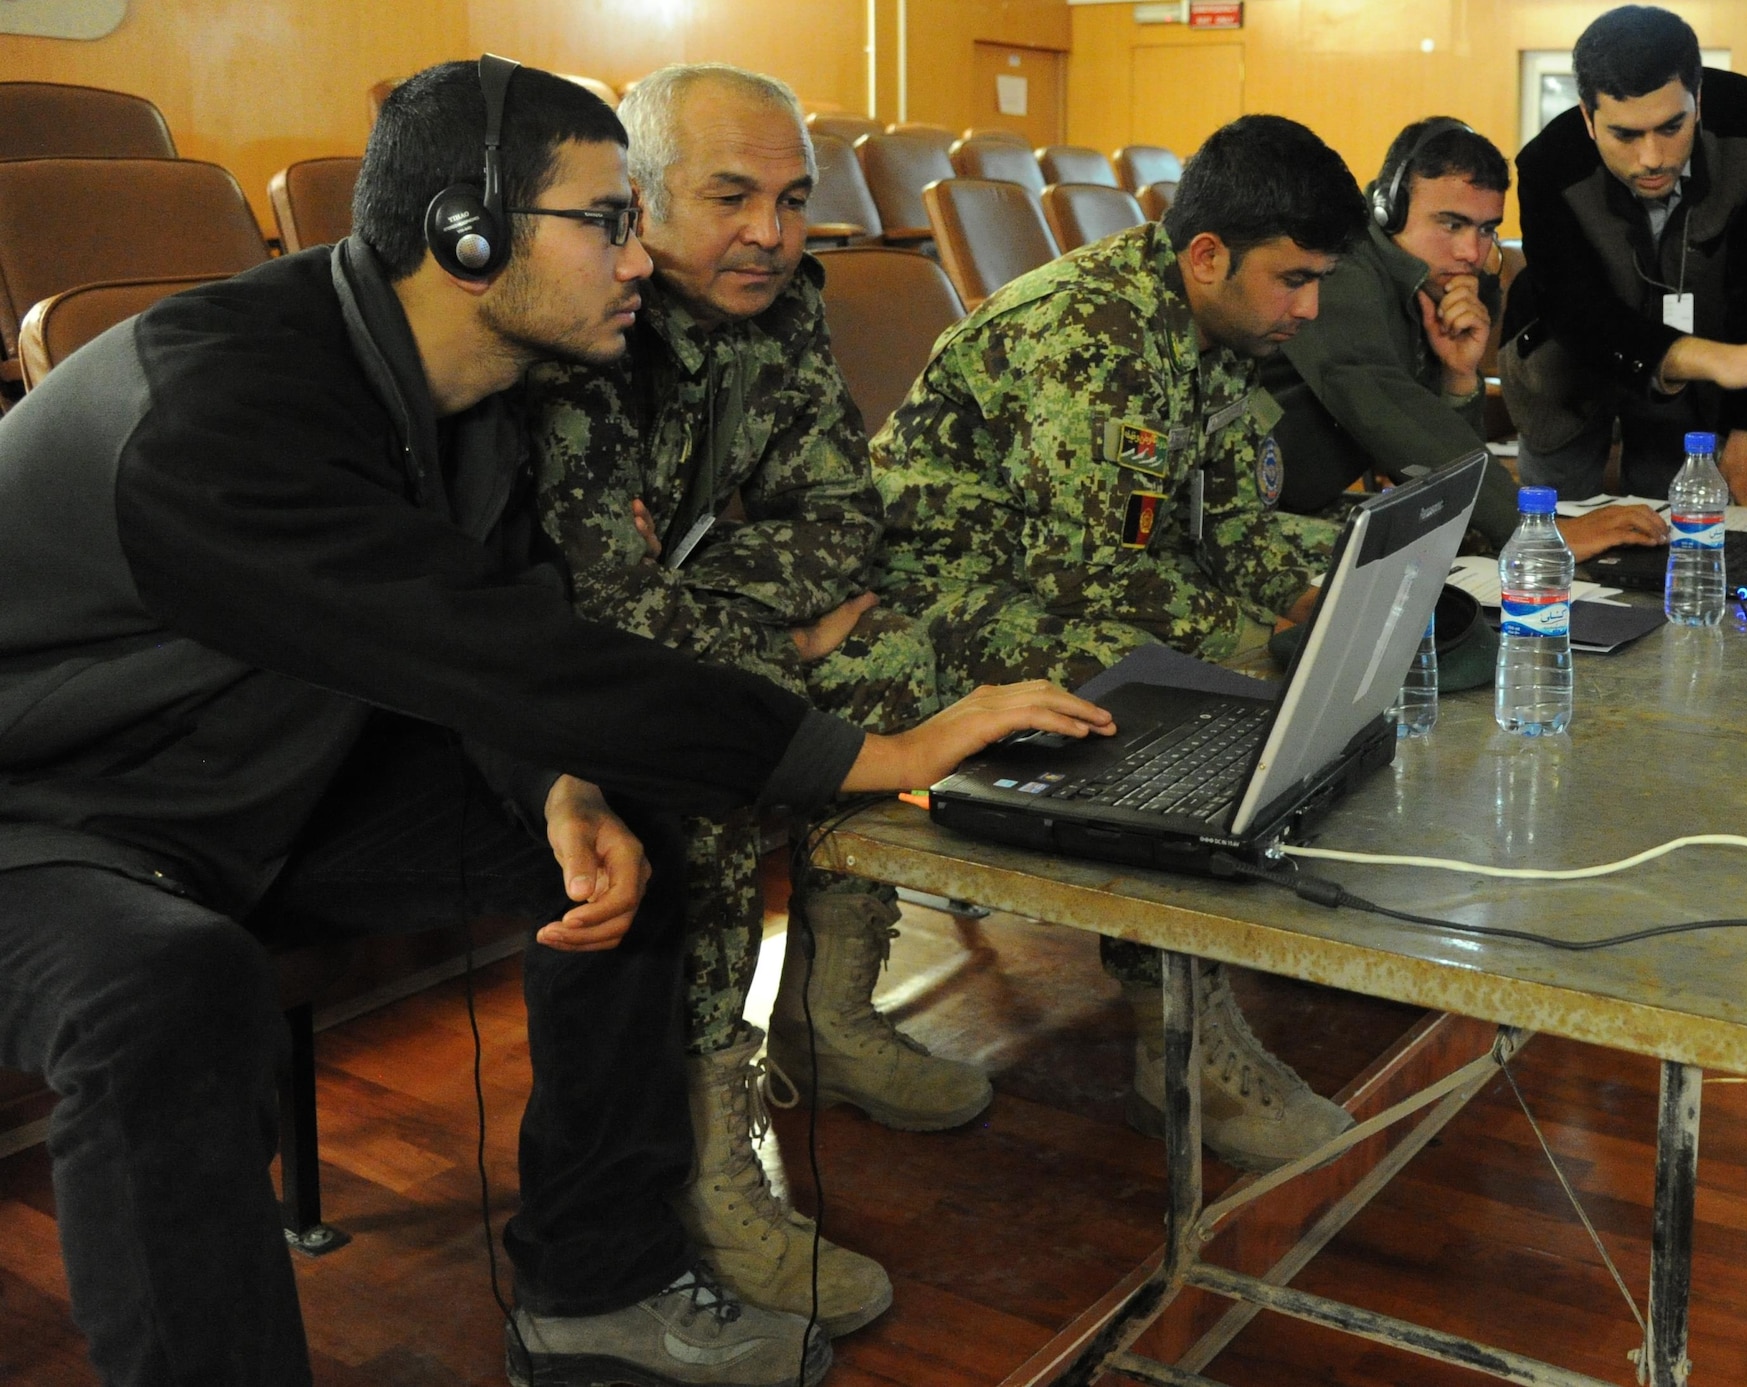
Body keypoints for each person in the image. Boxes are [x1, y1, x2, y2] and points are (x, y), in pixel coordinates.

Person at [0, 58, 1109, 1387]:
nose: (642, 259)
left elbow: (508, 614)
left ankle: (596, 1283)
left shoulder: (474, 387)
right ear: (464, 237)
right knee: (169, 992)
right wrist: (873, 756)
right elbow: (506, 644)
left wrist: (554, 789)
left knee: (628, 826)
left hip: (246, 783)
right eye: (607, 221)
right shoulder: (217, 409)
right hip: (48, 822)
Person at [527, 62, 981, 1338]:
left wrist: (731, 605)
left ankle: (829, 1020)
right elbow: (593, 604)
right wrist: (766, 624)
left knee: (894, 648)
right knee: (710, 751)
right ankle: (711, 1153)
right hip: (525, 687)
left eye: (791, 199)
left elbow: (844, 517)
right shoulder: (582, 325)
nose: (770, 234)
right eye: (730, 197)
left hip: (680, 640)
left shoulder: (775, 312)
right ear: (639, 196)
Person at [873, 114, 1367, 1174]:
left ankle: (1211, 992)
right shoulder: (1091, 335)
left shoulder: (1221, 332)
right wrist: (1257, 641)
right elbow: (1100, 579)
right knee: (1198, 686)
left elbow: (1228, 531)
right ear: (1204, 256)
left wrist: (1332, 583)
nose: (1308, 306)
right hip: (938, 595)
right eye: (1291, 279)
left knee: (1274, 658)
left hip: (1051, 585)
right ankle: (1179, 1041)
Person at [1264, 115, 1669, 561]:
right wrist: (1527, 528)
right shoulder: (1340, 267)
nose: (1471, 253)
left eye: (1486, 228)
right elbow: (1387, 410)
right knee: (1424, 561)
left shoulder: (1439, 289)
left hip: (1301, 503)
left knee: (1471, 544)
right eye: (1451, 225)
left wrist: (1459, 377)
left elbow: (1441, 462)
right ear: (1389, 209)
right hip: (1240, 514)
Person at [1499, 4, 1747, 504]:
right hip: (1565, 364)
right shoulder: (1550, 166)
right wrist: (1715, 359)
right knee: (1559, 522)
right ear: (1589, 118)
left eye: (1671, 128)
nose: (1651, 157)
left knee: (1675, 517)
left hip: (1691, 371)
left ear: (1698, 99)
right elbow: (1577, 312)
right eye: (1625, 135)